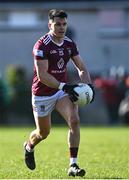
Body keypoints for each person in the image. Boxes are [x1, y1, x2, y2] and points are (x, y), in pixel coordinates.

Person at [24, 9, 94, 177]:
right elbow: (43, 76)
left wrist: (89, 86)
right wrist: (64, 86)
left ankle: (73, 165)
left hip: (62, 92)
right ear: (50, 25)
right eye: (57, 24)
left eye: (64, 24)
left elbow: (82, 68)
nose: (62, 28)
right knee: (43, 133)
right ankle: (28, 146)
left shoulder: (70, 44)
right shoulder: (41, 45)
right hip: (42, 93)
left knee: (75, 121)